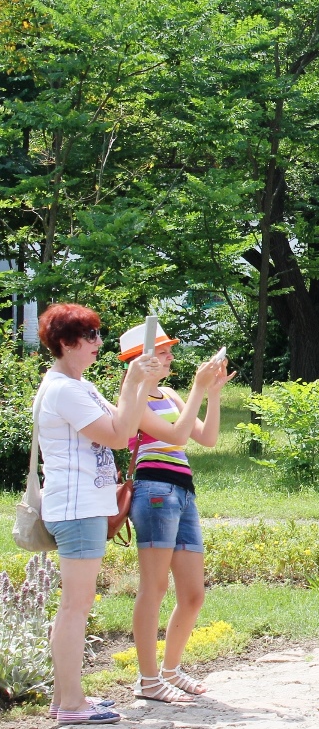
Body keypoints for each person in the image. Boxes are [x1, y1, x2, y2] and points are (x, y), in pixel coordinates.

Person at [36, 304, 161, 725]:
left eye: (97, 335)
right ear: (66, 342)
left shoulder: (79, 385)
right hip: (76, 508)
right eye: (90, 337)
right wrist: (133, 380)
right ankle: (71, 705)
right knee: (75, 606)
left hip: (84, 507)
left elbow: (124, 425)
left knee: (75, 604)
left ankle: (67, 700)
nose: (98, 344)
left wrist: (140, 382)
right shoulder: (64, 390)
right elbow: (118, 433)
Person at [118, 321, 234, 702]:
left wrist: (212, 394)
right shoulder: (132, 393)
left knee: (193, 593)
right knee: (154, 587)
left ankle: (170, 670)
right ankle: (148, 679)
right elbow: (176, 437)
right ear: (142, 358)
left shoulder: (168, 393)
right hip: (155, 490)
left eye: (169, 351)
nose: (170, 357)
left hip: (183, 492)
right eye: (164, 351)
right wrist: (198, 388)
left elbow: (208, 438)